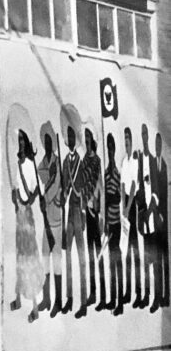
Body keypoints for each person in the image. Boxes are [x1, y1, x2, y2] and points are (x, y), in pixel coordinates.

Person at [9, 129, 44, 322]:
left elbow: (38, 188)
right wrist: (15, 198)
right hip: (19, 215)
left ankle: (35, 307)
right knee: (20, 256)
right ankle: (18, 298)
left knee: (29, 257)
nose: (20, 143)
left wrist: (29, 200)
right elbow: (16, 188)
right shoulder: (18, 165)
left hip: (27, 216)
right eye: (19, 140)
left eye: (23, 140)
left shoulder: (30, 165)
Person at [60, 125, 87, 318]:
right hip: (68, 211)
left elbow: (83, 189)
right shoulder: (65, 162)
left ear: (75, 140)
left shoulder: (80, 162)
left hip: (78, 210)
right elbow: (64, 187)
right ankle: (69, 298)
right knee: (68, 255)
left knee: (81, 255)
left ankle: (83, 302)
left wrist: (84, 213)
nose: (70, 140)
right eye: (67, 137)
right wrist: (63, 195)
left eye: (72, 136)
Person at [78, 129, 104, 316]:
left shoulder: (97, 161)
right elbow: (81, 187)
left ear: (92, 141)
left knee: (99, 254)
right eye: (85, 139)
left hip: (96, 211)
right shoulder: (84, 161)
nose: (87, 142)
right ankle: (93, 293)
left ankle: (102, 295)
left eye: (89, 139)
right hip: (87, 211)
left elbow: (100, 185)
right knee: (90, 255)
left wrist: (99, 208)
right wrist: (84, 208)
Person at [37, 128, 63, 315]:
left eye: (49, 142)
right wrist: (50, 175)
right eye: (44, 142)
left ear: (52, 144)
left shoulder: (57, 162)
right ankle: (46, 298)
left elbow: (55, 187)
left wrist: (45, 198)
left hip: (55, 219)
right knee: (45, 257)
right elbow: (41, 174)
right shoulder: (44, 163)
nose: (47, 145)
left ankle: (59, 301)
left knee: (57, 261)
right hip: (46, 218)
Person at [103, 133, 124, 314]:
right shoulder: (106, 173)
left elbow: (118, 197)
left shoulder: (116, 173)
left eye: (111, 149)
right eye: (108, 148)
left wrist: (111, 197)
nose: (110, 152)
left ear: (114, 150)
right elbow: (105, 198)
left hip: (116, 221)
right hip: (109, 222)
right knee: (111, 260)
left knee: (116, 260)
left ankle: (120, 302)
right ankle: (113, 298)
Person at [120, 127, 140, 308]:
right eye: (124, 138)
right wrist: (122, 207)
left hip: (132, 207)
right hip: (125, 207)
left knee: (135, 250)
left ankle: (139, 292)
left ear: (131, 141)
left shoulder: (134, 161)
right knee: (125, 251)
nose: (126, 141)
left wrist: (127, 207)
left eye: (128, 138)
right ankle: (127, 292)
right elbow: (122, 186)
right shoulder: (123, 162)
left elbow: (133, 186)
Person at [137, 124, 156, 309]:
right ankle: (147, 295)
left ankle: (156, 298)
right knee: (145, 260)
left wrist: (150, 211)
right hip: (144, 219)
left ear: (147, 136)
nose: (143, 136)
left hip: (153, 219)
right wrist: (140, 215)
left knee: (153, 260)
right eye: (141, 133)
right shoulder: (140, 161)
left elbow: (155, 192)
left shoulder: (152, 160)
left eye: (145, 133)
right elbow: (139, 190)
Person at [154, 132, 169, 309]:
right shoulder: (153, 164)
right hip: (155, 220)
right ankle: (159, 295)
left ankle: (166, 295)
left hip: (163, 220)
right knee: (157, 258)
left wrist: (162, 215)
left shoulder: (163, 166)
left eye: (159, 145)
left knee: (165, 258)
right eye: (156, 145)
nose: (157, 148)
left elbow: (163, 195)